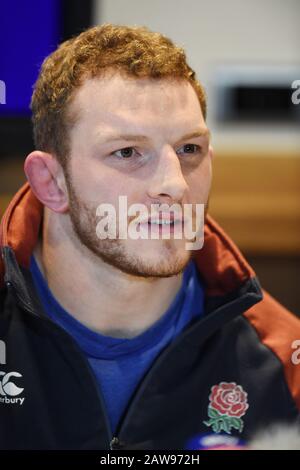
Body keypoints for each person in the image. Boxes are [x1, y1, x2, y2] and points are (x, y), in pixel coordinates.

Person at [0, 23, 299, 451]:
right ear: (51, 182)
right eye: (127, 152)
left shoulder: (286, 367)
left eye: (189, 149)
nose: (176, 185)